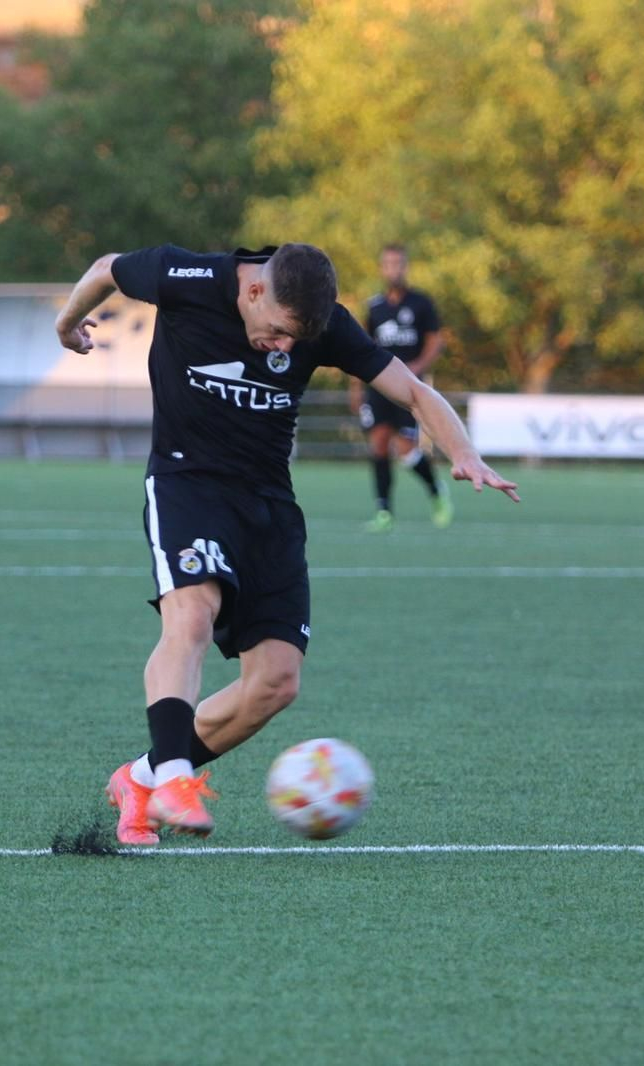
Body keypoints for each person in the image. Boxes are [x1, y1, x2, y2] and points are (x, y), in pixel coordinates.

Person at [54, 242, 519, 845]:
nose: (282, 347)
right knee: (191, 614)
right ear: (253, 292)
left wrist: (463, 453)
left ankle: (139, 780)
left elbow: (413, 392)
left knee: (276, 682)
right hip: (187, 483)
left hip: (269, 505)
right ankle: (173, 777)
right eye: (275, 332)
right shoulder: (185, 276)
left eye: (295, 340)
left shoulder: (322, 325)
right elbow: (103, 269)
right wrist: (68, 325)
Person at [349, 243, 452, 532]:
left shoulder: (421, 303)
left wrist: (418, 366)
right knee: (379, 443)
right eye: (388, 264)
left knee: (406, 449)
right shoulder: (374, 307)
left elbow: (435, 341)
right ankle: (384, 511)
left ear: (405, 267)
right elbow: (359, 348)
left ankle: (436, 490)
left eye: (398, 264)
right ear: (382, 268)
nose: (394, 269)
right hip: (377, 384)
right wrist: (355, 386)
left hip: (408, 386)